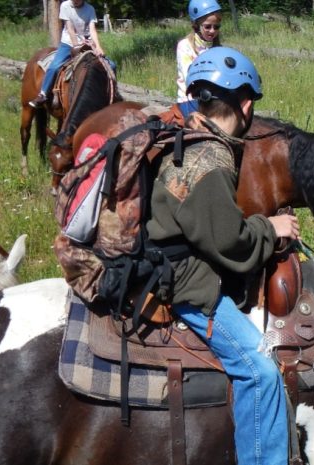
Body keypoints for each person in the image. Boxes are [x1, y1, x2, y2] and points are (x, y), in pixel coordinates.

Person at [147, 47, 297, 464]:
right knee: (260, 368)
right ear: (245, 104)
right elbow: (229, 243)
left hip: (167, 252)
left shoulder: (188, 134)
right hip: (182, 279)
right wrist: (271, 227)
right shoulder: (210, 156)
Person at [29, 0, 116, 108]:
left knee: (111, 65)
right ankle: (43, 94)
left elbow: (92, 29)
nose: (75, 1)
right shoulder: (65, 6)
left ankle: (112, 93)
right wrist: (76, 45)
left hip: (87, 43)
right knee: (54, 66)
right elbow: (70, 28)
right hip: (69, 43)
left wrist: (98, 47)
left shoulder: (90, 9)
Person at [175, 0, 222, 119]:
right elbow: (190, 78)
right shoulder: (185, 46)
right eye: (207, 26)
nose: (212, 31)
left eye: (216, 27)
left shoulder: (218, 49)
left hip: (213, 101)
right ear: (196, 25)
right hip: (190, 102)